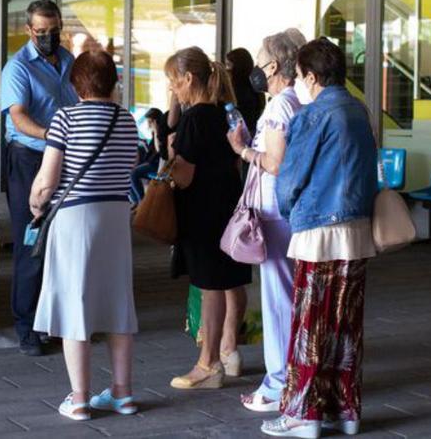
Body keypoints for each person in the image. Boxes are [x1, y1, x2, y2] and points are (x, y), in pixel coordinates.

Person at [263, 38, 377, 439]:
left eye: (298, 76)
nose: (298, 83)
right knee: (346, 326)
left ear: (311, 76)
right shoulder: (359, 110)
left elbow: (290, 178)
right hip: (357, 228)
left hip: (318, 229)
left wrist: (288, 211)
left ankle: (303, 413)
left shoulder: (314, 114)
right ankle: (345, 409)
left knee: (310, 324)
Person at [29, 49, 141, 422]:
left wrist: (35, 202)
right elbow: (129, 165)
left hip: (76, 217)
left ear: (76, 84)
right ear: (113, 82)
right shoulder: (126, 120)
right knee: (117, 301)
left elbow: (48, 179)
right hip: (114, 216)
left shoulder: (65, 118)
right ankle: (123, 394)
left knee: (75, 302)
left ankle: (79, 398)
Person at [225, 30, 307, 413]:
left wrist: (243, 150)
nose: (256, 67)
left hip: (275, 212)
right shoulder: (299, 101)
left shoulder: (278, 107)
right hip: (291, 209)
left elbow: (275, 162)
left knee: (278, 299)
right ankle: (293, 377)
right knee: (290, 295)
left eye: (260, 59)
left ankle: (279, 383)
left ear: (273, 66)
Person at [164, 46, 251, 390]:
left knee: (209, 284)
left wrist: (170, 154)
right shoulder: (224, 113)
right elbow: (234, 162)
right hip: (227, 205)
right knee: (226, 281)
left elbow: (184, 175)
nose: (172, 88)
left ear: (188, 78)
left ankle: (208, 363)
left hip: (201, 210)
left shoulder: (194, 118)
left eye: (173, 80)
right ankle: (226, 354)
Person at [0, 0, 79, 357]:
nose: (49, 37)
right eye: (42, 32)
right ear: (30, 31)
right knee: (33, 241)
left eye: (54, 30)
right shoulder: (17, 68)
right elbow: (19, 120)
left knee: (63, 244)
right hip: (30, 158)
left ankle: (56, 323)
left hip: (65, 158)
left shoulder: (68, 62)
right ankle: (26, 326)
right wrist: (55, 134)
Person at [130, 108, 165, 203]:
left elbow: (159, 150)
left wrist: (156, 130)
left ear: (155, 121)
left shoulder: (161, 132)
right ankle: (136, 202)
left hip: (156, 164)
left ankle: (141, 202)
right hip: (150, 162)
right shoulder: (154, 133)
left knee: (133, 174)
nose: (148, 124)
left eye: (150, 121)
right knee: (128, 174)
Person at [227, 47, 266, 132]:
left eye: (229, 65)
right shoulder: (256, 87)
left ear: (237, 67)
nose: (227, 69)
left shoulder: (238, 91)